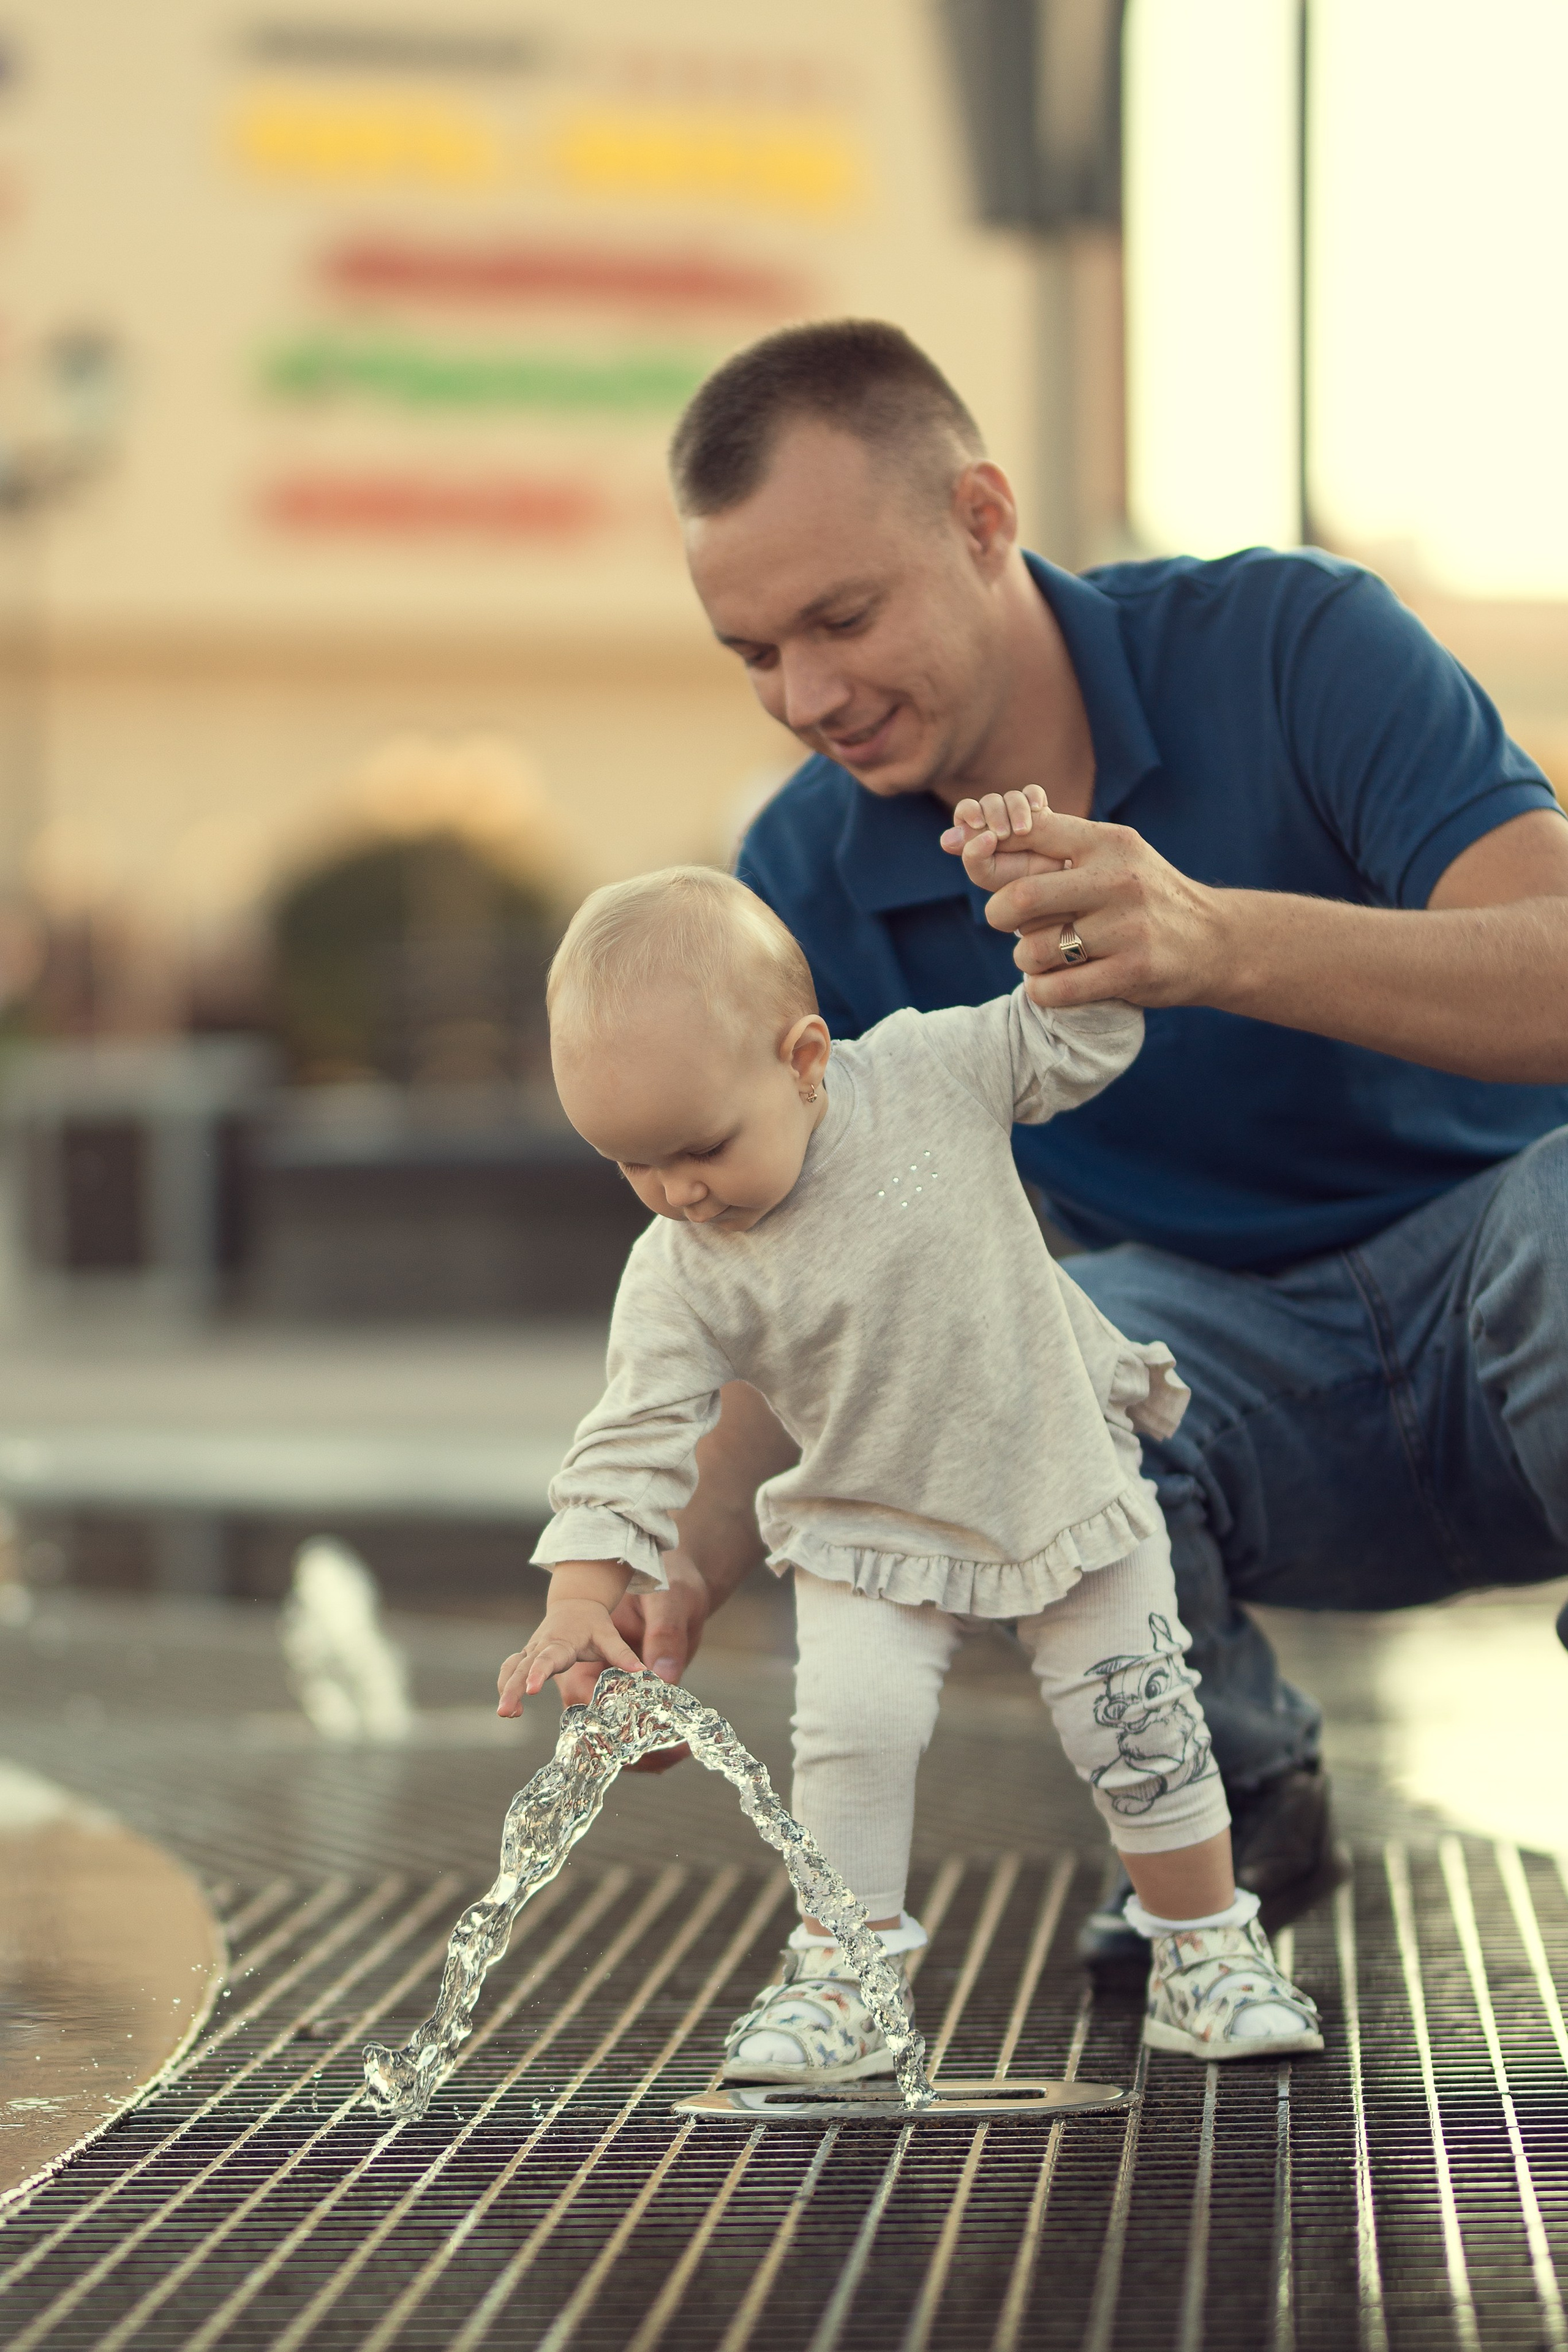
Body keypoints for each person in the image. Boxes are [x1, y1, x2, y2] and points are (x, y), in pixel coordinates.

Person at [558, 319, 1568, 1978]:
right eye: (753, 653)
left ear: (979, 518)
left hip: (1511, 1307)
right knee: (1035, 1352)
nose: (807, 696)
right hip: (1222, 1403)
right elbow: (776, 1293)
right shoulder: (803, 875)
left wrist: (1219, 940)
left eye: (843, 617)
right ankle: (1226, 1807)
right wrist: (670, 1568)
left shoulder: (1294, 642)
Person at [499, 863, 1322, 2072]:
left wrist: (1062, 926)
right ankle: (845, 1976)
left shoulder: (935, 1071)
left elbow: (1085, 1037)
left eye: (701, 1147)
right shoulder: (682, 1262)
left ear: (803, 1059)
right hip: (863, 1530)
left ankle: (1202, 1950)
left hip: (1056, 1484)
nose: (676, 1191)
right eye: (632, 1167)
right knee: (850, 1745)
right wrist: (582, 1595)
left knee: (1139, 1729)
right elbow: (632, 1432)